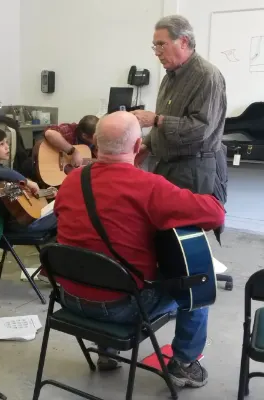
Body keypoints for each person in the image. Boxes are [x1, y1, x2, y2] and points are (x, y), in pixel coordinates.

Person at [54, 111, 225, 388]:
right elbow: (215, 214)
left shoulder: (72, 180)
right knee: (199, 282)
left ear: (95, 143)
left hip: (69, 296)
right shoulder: (149, 187)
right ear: (137, 147)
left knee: (97, 258)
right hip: (122, 307)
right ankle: (184, 364)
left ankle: (106, 352)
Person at [133, 15, 227, 200]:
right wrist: (146, 146)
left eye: (162, 44)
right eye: (155, 46)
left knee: (185, 226)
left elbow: (201, 129)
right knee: (162, 222)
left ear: (183, 42)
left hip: (192, 170)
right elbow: (162, 119)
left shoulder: (206, 76)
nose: (157, 52)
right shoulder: (170, 77)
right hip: (168, 165)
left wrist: (155, 120)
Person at [0, 128, 57, 234]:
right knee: (68, 212)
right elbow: (5, 173)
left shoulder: (3, 173)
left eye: (6, 143)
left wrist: (44, 194)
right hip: (21, 225)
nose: (7, 146)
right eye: (1, 144)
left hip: (29, 220)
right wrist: (28, 182)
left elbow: (20, 195)